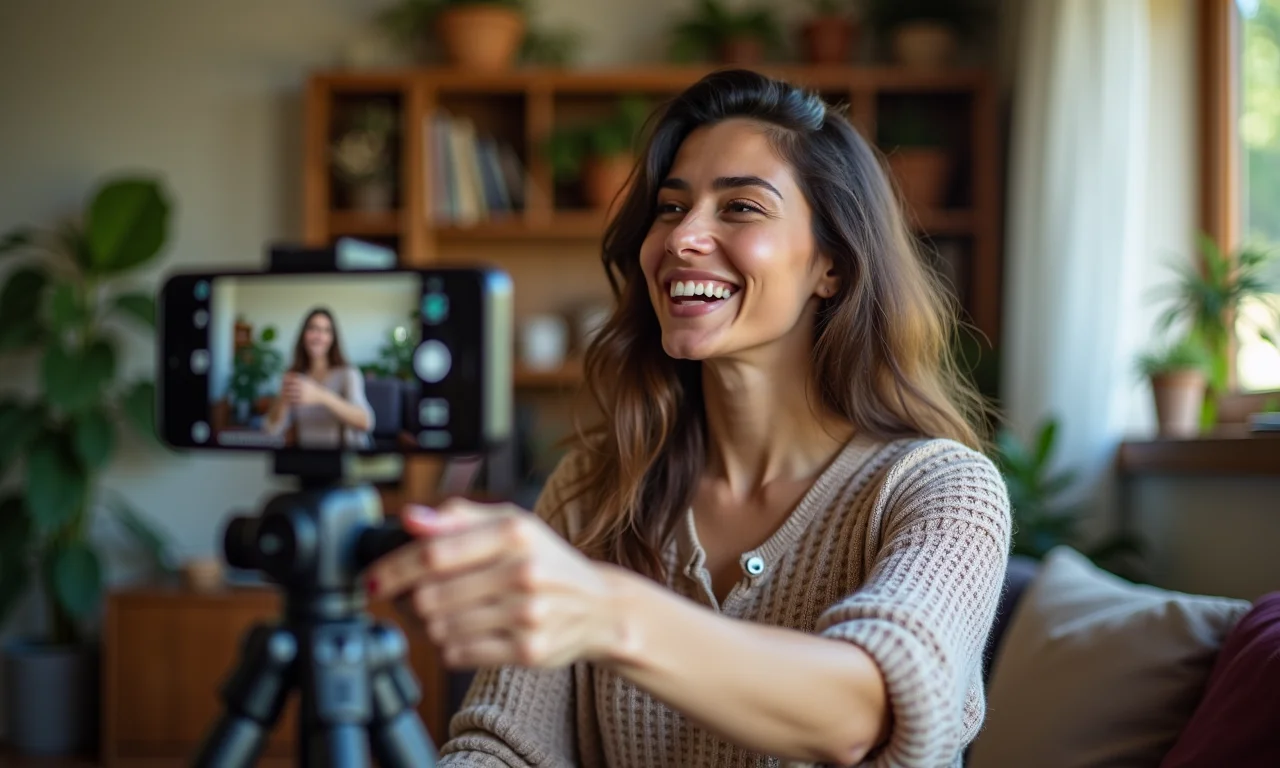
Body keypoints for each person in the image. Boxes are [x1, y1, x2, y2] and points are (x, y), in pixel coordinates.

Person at [366, 70, 1012, 767]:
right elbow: (501, 746)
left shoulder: (943, 491)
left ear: (831, 264)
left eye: (739, 208)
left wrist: (607, 613)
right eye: (671, 209)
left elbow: (872, 710)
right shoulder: (592, 491)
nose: (681, 239)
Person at [262, 307, 374, 449]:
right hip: (306, 459)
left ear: (332, 338)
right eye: (313, 329)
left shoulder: (348, 374)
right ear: (304, 335)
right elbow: (271, 430)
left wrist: (320, 395)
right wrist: (283, 399)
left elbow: (366, 422)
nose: (318, 336)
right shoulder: (295, 376)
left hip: (343, 460)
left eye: (326, 330)